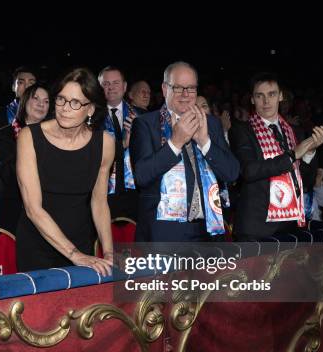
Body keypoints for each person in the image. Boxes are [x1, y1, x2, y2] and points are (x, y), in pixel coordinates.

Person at [16, 68, 114, 276]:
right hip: (37, 245)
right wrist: (74, 254)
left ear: (90, 110)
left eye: (75, 102)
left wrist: (109, 252)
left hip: (81, 243)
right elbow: (33, 208)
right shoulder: (29, 137)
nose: (64, 108)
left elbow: (99, 202)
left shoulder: (105, 143)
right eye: (61, 99)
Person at [130, 61, 239, 242]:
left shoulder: (210, 123)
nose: (185, 95)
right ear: (165, 89)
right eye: (178, 88)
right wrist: (175, 142)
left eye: (191, 88)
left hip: (208, 230)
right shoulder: (145, 124)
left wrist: (205, 142)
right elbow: (141, 176)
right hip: (164, 234)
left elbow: (232, 173)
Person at [229, 72, 323, 241]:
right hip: (257, 227)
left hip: (289, 223)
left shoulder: (294, 131)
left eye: (272, 94)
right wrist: (293, 155)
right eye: (260, 96)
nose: (266, 102)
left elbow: (306, 182)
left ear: (281, 96)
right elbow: (249, 171)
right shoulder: (242, 130)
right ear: (252, 99)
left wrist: (310, 152)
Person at [0, 83, 50, 233]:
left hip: (47, 214)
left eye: (46, 101)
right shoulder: (4, 135)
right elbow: (9, 176)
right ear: (24, 102)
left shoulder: (54, 137)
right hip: (13, 212)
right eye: (35, 98)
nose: (41, 104)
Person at [98, 66, 140, 220]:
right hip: (103, 191)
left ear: (125, 86)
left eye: (115, 83)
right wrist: (122, 144)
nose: (111, 87)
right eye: (106, 84)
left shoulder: (140, 116)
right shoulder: (92, 117)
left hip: (136, 190)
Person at [0, 66, 36, 134]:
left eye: (31, 83)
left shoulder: (44, 114)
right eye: (21, 82)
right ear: (13, 87)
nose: (26, 87)